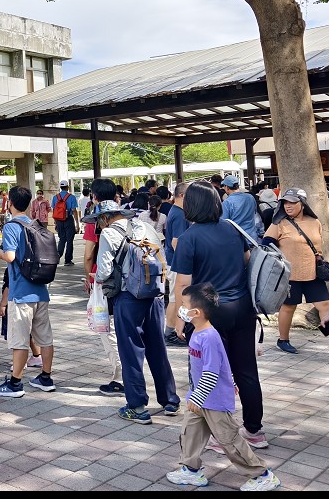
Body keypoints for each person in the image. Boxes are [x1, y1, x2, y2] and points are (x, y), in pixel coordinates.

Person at [172, 181, 267, 453]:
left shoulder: (189, 238)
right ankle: (254, 430)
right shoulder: (232, 229)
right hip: (242, 307)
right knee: (246, 370)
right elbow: (247, 260)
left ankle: (220, 434)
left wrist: (180, 317)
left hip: (209, 314)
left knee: (210, 372)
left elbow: (183, 284)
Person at [166, 283, 281, 491]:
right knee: (190, 433)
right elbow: (222, 362)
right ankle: (191, 470)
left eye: (184, 305)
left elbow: (211, 372)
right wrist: (226, 383)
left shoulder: (209, 337)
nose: (181, 309)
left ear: (196, 312)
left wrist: (200, 396)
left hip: (213, 400)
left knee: (229, 441)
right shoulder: (198, 333)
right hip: (199, 398)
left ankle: (262, 475)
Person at [94, 201, 179, 424]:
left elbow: (103, 271)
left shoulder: (109, 234)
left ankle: (137, 406)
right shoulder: (144, 226)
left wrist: (99, 280)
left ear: (105, 218)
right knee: (157, 348)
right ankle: (170, 400)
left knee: (130, 351)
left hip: (128, 297)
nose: (99, 226)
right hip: (154, 295)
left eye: (98, 222)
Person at [263, 188, 329, 356]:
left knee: (325, 305)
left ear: (303, 204)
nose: (288, 206)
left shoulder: (315, 222)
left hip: (313, 273)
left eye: (292, 202)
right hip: (290, 275)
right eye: (285, 203)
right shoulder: (279, 223)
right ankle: (283, 340)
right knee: (288, 307)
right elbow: (266, 244)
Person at [0, 186, 56, 397]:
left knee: (19, 340)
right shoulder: (34, 224)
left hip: (21, 293)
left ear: (10, 202)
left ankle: (15, 383)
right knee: (45, 338)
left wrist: (0, 253)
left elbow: (10, 256)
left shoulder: (11, 226)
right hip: (41, 291)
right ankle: (46, 378)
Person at [82, 178, 125, 396]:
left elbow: (89, 254)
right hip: (127, 282)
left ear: (94, 197)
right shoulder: (125, 218)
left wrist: (88, 279)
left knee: (106, 329)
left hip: (103, 281)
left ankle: (120, 375)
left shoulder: (96, 221)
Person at [163, 182, 190, 346]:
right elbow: (176, 242)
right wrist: (185, 262)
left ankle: (170, 332)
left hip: (173, 262)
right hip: (176, 263)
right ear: (182, 195)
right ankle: (170, 333)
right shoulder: (179, 214)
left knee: (174, 297)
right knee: (174, 298)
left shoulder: (175, 211)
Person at [221, 175, 260, 241]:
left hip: (237, 240)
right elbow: (255, 215)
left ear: (227, 187)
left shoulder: (227, 202)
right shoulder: (250, 197)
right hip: (252, 238)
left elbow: (224, 224)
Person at [52, 180, 77, 266]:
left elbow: (54, 210)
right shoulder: (72, 197)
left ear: (60, 187)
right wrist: (77, 223)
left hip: (59, 220)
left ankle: (57, 256)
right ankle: (68, 260)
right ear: (67, 187)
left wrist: (55, 222)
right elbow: (74, 210)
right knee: (70, 240)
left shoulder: (55, 197)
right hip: (68, 219)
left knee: (62, 239)